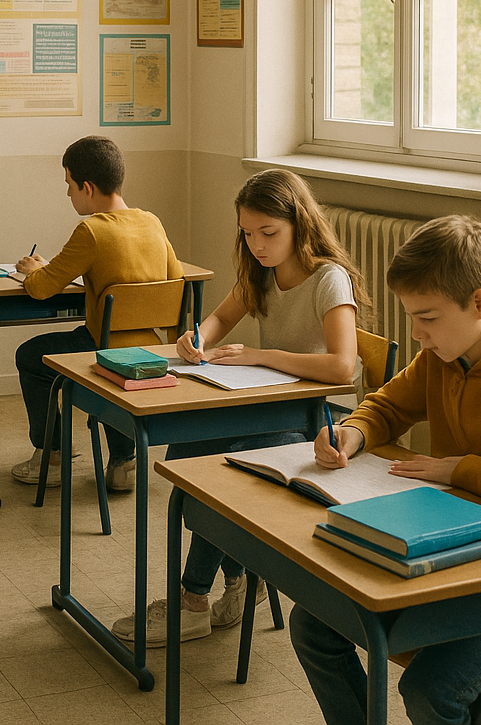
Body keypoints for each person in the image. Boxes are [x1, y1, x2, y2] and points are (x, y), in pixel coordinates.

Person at [112, 168, 366, 647]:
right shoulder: (262, 272)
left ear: (299, 224)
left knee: (223, 472)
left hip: (313, 425)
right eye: (248, 234)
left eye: (268, 233)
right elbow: (220, 318)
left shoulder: (328, 278)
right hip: (265, 407)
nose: (257, 245)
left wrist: (259, 355)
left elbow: (341, 367)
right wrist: (196, 338)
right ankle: (241, 578)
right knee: (186, 456)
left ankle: (192, 599)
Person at [292, 214, 481, 725]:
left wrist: (461, 470)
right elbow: (387, 405)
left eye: (427, 317)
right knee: (313, 624)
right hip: (452, 558)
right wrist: (353, 432)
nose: (416, 334)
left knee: (433, 690)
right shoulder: (442, 358)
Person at [10, 136, 184, 493]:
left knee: (29, 355)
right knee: (103, 348)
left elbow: (42, 288)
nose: (68, 193)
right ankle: (123, 463)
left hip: (103, 347)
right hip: (153, 348)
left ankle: (52, 457)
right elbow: (176, 280)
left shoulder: (91, 230)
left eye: (69, 185)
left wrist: (35, 270)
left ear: (87, 187)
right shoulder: (152, 222)